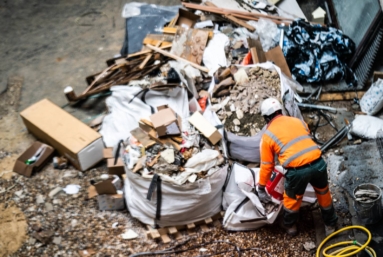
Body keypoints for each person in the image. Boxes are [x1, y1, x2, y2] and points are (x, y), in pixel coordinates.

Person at [257, 97, 338, 236]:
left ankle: (290, 227)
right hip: (318, 163)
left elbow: (267, 165)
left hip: (298, 171)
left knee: (292, 199)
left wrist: (261, 187)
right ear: (280, 110)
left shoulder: (268, 135)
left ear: (266, 118)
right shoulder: (298, 121)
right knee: (323, 193)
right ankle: (330, 225)